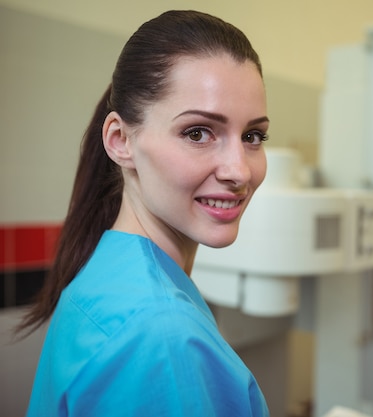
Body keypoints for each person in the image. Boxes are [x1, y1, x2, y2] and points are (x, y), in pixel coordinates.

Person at [17, 10, 271, 416]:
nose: (239, 171)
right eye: (197, 133)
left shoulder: (108, 269)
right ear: (121, 141)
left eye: (252, 136)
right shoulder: (159, 334)